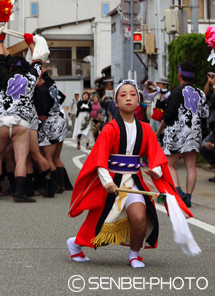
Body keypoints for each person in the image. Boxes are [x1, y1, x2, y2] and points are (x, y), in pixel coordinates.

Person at [67, 79, 193, 268]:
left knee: (140, 218)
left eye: (133, 95)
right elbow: (99, 159)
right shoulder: (110, 128)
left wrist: (156, 170)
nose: (128, 98)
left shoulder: (145, 129)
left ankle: (134, 254)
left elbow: (156, 155)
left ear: (139, 100)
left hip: (134, 181)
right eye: (123, 95)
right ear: (116, 102)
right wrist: (107, 182)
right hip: (112, 181)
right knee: (100, 221)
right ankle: (75, 243)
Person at [0, 30, 43, 202]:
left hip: (3, 121)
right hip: (22, 123)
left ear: (11, 67)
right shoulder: (31, 78)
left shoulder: (4, 75)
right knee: (21, 159)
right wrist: (31, 43)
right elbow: (38, 61)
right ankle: (19, 194)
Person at [159, 61, 209, 208]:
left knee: (168, 164)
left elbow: (169, 113)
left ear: (179, 75)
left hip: (177, 132)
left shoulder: (176, 92)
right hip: (195, 133)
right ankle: (189, 198)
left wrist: (163, 123)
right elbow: (205, 115)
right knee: (191, 165)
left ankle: (179, 191)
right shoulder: (200, 93)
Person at [35, 71, 68, 194]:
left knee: (47, 157)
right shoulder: (51, 85)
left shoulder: (41, 92)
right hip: (60, 121)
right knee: (56, 158)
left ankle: (54, 185)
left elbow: (42, 117)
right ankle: (62, 184)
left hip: (51, 125)